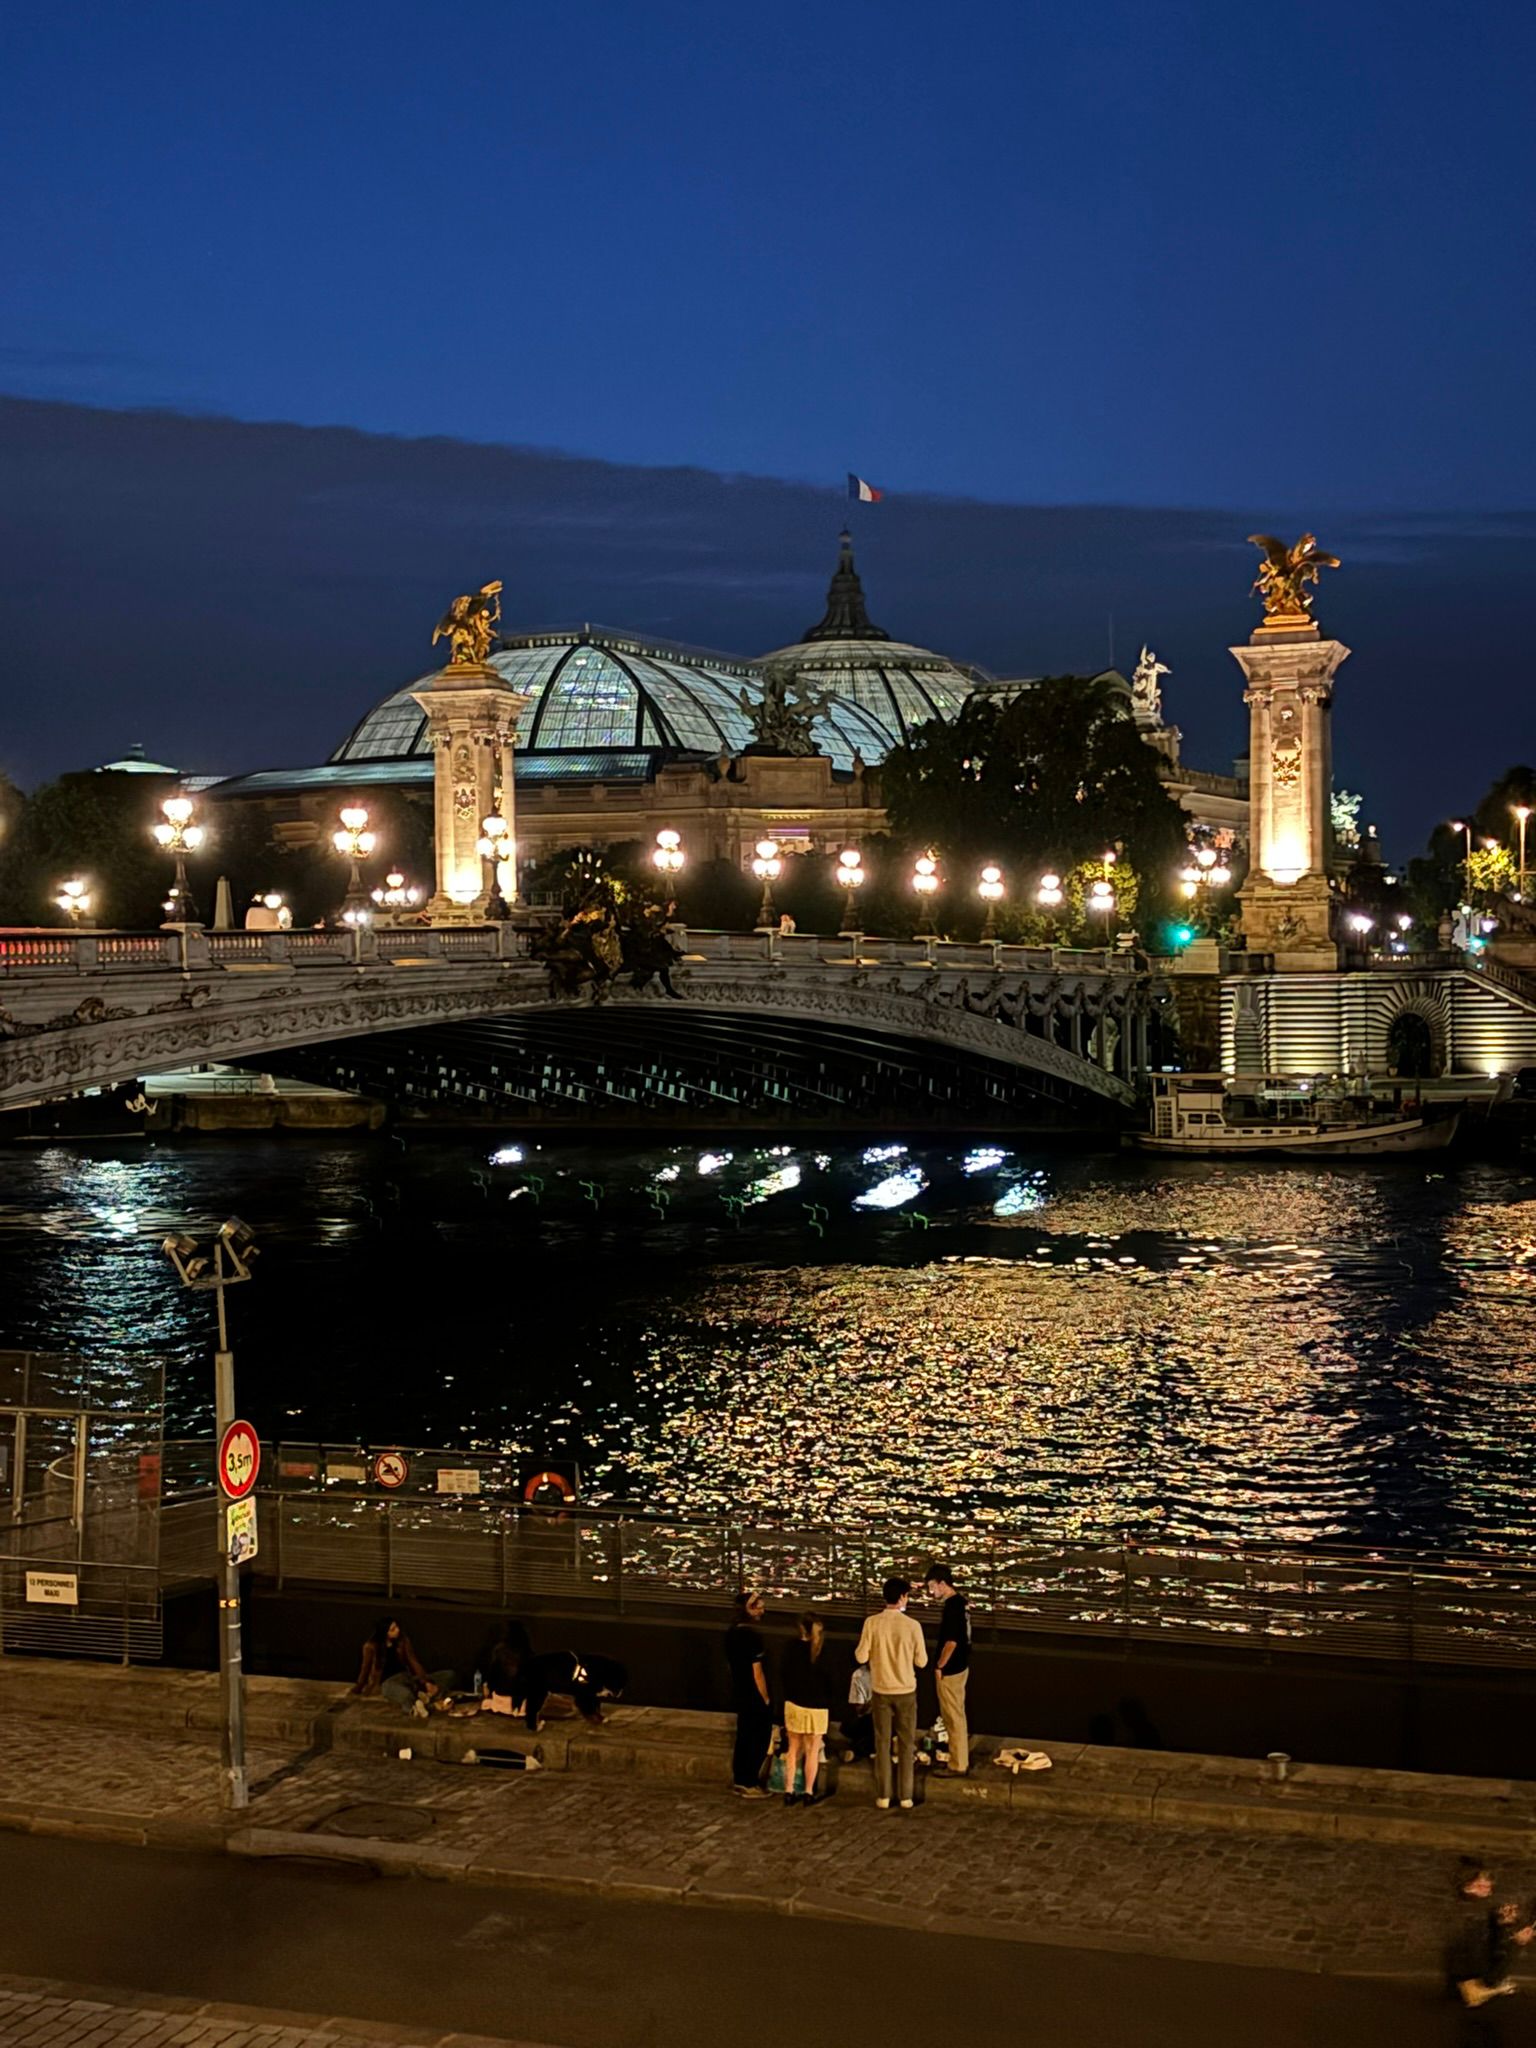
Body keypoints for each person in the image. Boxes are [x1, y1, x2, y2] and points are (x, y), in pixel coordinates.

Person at [855, 1577, 927, 1810]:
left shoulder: (872, 1623)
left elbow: (861, 1657)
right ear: (903, 1597)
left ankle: (883, 1795)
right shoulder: (913, 1625)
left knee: (882, 1742)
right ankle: (905, 1795)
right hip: (906, 1689)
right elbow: (922, 1661)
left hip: (881, 1689)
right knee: (906, 1744)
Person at [779, 1614, 834, 1807]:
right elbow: (830, 1680)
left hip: (794, 1704)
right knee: (812, 1751)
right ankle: (809, 1791)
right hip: (818, 1707)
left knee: (793, 1749)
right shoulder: (822, 1651)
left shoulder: (790, 1648)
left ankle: (788, 1790)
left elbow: (783, 1675)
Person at [351, 1616, 454, 1718]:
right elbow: (365, 1669)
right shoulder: (371, 1646)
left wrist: (425, 1681)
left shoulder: (402, 1641)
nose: (397, 1630)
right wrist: (359, 1687)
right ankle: (417, 1705)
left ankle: (423, 1696)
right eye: (393, 1629)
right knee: (405, 1694)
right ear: (385, 1633)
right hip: (388, 1682)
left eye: (397, 1627)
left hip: (406, 1678)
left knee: (449, 1675)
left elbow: (413, 1661)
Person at [725, 1590, 772, 1798]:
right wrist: (766, 1698)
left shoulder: (731, 1633)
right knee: (758, 1738)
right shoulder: (752, 1637)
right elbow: (757, 1673)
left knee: (744, 1736)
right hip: (753, 1694)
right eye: (759, 1606)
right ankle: (749, 1781)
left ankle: (740, 1779)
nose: (763, 1610)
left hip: (739, 1689)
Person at [925, 1563, 971, 1776]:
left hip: (951, 1670)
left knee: (953, 1717)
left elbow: (951, 1642)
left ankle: (957, 1764)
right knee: (956, 1715)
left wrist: (939, 1665)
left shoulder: (953, 1607)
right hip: (961, 1666)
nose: (930, 1591)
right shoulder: (962, 1604)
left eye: (932, 1586)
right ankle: (957, 1760)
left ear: (943, 1584)